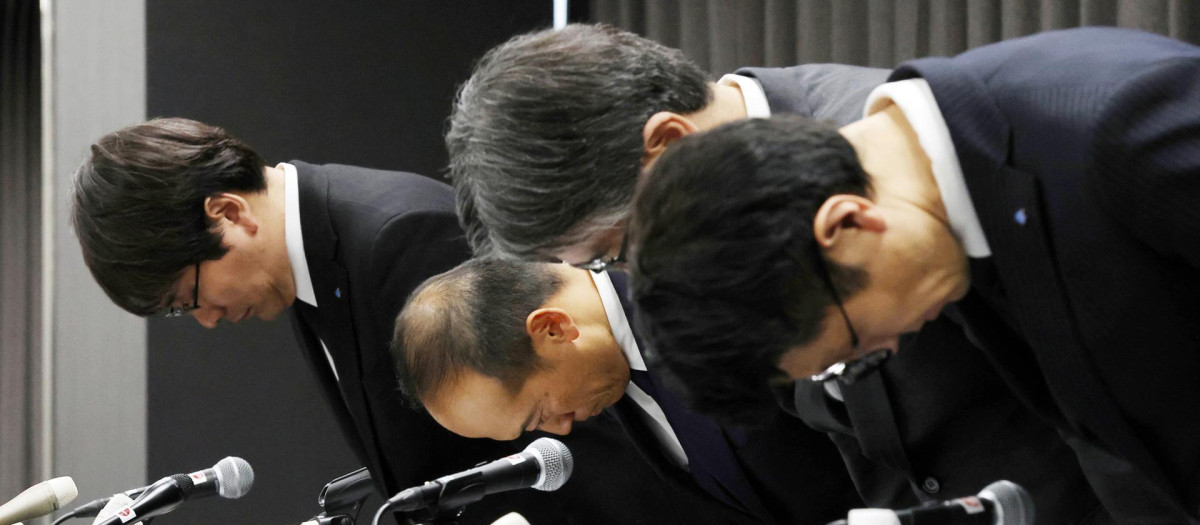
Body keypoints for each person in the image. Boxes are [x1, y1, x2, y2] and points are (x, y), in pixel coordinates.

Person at [446, 23, 1106, 520]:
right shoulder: (711, 250)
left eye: (612, 250)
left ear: (670, 145)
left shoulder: (887, 145)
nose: (630, 278)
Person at [628, 27, 1200, 522]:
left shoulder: (1114, 120)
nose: (892, 346)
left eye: (859, 348)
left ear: (847, 223)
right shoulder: (959, 224)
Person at [69, 118, 693, 525]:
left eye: (188, 297)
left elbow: (565, 428)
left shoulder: (398, 236)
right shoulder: (312, 259)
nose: (205, 320)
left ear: (228, 213)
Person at [393, 259, 863, 524]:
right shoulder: (605, 382)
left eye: (538, 413)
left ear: (553, 329)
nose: (559, 430)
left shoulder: (706, 289)